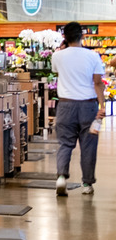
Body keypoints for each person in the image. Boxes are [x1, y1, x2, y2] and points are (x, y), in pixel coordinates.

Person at [51, 20, 106, 196]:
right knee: (88, 145)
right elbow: (98, 83)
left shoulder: (57, 56)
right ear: (82, 36)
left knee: (65, 144)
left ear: (64, 37)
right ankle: (87, 184)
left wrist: (61, 48)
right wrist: (102, 106)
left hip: (65, 105)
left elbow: (59, 73)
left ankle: (61, 177)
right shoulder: (93, 56)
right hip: (88, 106)